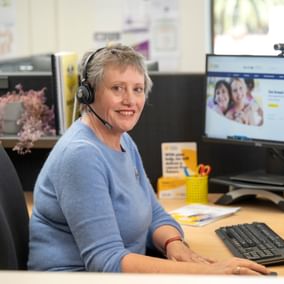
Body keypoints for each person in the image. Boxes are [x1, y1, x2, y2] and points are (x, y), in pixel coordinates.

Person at [28, 44, 271, 275]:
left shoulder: (121, 139)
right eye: (117, 88)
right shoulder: (80, 155)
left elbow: (154, 213)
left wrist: (174, 244)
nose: (130, 101)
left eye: (138, 89)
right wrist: (207, 272)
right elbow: (105, 261)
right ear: (88, 94)